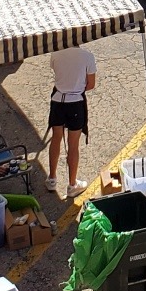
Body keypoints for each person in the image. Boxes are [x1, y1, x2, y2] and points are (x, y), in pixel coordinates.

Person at [44, 44, 98, 199]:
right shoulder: (88, 56)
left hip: (57, 100)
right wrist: (76, 87)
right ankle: (72, 184)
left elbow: (56, 72)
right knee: (73, 144)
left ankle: (52, 178)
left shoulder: (56, 53)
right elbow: (91, 84)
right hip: (75, 102)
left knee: (56, 138)